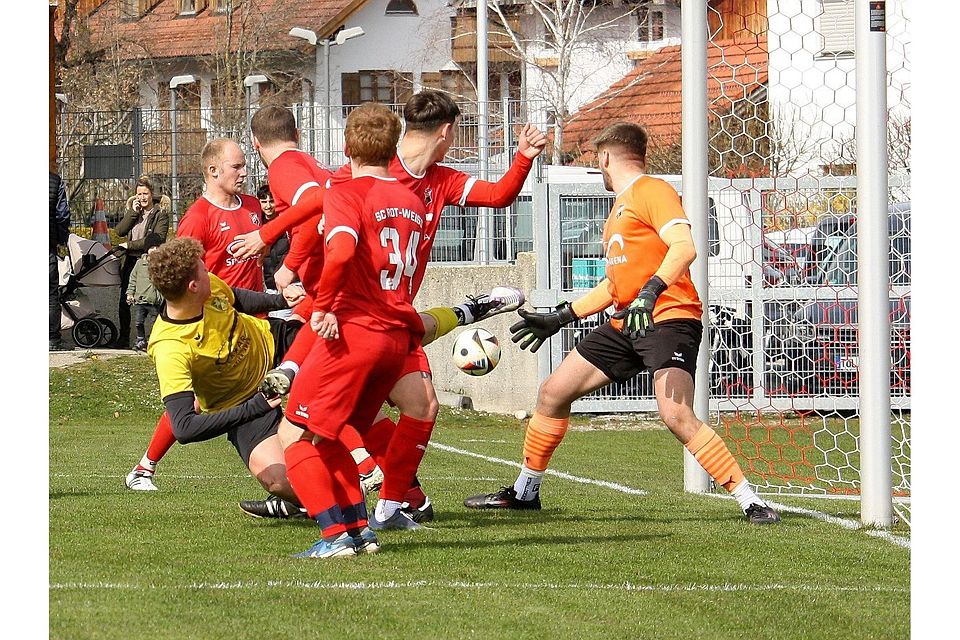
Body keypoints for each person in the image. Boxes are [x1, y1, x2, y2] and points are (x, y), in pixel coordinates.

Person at [235, 92, 543, 524]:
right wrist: (284, 254)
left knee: (419, 406)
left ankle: (389, 505)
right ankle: (347, 507)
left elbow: (498, 195)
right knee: (324, 426)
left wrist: (523, 157)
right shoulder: (373, 173)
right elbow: (318, 208)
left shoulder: (436, 180)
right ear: (448, 132)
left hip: (388, 314)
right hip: (346, 312)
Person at [463, 122, 781, 525]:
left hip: (668, 317)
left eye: (599, 162)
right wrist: (563, 316)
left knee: (676, 415)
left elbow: (685, 247)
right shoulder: (620, 208)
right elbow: (615, 286)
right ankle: (526, 492)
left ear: (606, 158)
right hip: (626, 321)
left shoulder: (653, 191)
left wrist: (650, 292)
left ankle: (749, 500)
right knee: (553, 392)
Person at [281, 103, 428, 558]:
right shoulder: (411, 199)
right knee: (333, 435)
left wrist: (323, 306)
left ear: (346, 147)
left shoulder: (346, 191)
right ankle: (360, 531)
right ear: (393, 149)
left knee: (295, 434)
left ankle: (332, 536)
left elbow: (342, 253)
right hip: (394, 339)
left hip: (354, 334)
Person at [124, 138, 264, 491]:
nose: (245, 173)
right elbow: (180, 275)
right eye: (237, 166)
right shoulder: (197, 218)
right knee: (197, 401)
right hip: (216, 328)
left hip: (253, 316)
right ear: (214, 171)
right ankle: (145, 467)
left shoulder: (251, 207)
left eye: (245, 164)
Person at [144, 236, 306, 506]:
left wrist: (281, 301)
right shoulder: (170, 348)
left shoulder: (205, 290)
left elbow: (237, 298)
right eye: (204, 270)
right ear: (193, 286)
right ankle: (316, 505)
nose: (210, 272)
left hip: (274, 344)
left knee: (338, 362)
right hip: (241, 403)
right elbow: (184, 427)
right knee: (278, 480)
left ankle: (385, 474)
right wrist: (254, 407)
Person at [115, 176, 171, 348]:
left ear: (151, 193)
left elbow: (157, 238)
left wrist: (129, 244)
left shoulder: (160, 213)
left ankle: (157, 337)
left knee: (154, 301)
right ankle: (124, 336)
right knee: (125, 299)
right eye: (139, 194)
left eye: (145, 193)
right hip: (131, 261)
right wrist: (132, 213)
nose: (142, 197)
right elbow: (119, 231)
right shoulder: (134, 211)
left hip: (149, 261)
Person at [255, 184, 291, 320]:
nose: (268, 206)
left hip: (288, 283)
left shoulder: (286, 223)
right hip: (270, 286)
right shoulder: (257, 224)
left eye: (271, 201)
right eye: (264, 202)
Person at [125, 232, 165, 351]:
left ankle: (152, 341)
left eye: (157, 247)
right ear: (147, 249)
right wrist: (130, 293)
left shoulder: (163, 264)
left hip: (155, 301)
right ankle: (141, 339)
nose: (154, 250)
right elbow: (132, 279)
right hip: (141, 300)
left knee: (155, 323)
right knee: (138, 322)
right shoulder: (139, 264)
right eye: (152, 247)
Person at [50, 171, 72, 351]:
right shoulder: (54, 181)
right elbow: (62, 214)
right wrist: (61, 238)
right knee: (50, 294)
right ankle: (52, 339)